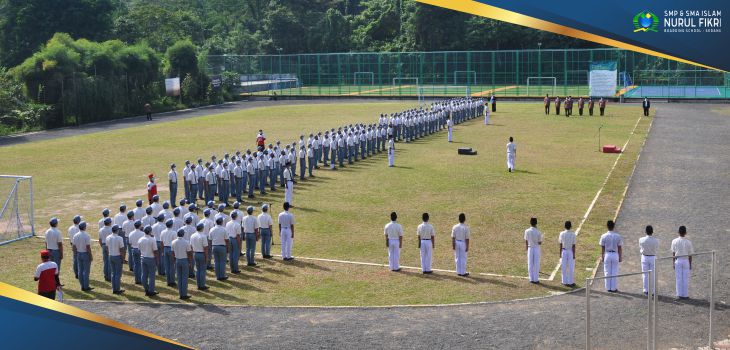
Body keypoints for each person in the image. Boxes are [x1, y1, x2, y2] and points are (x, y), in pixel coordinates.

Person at [599, 220, 623, 292]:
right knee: (614, 271)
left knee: (607, 271)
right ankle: (613, 288)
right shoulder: (618, 236)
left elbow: (602, 247)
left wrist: (602, 256)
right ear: (613, 226)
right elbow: (619, 248)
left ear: (607, 226)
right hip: (615, 254)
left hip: (607, 254)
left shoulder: (603, 236)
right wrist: (620, 256)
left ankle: (608, 288)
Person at [671, 226, 694, 299]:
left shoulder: (674, 241)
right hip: (685, 260)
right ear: (685, 233)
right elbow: (690, 255)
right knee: (685, 278)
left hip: (678, 260)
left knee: (678, 278)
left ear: (678, 232)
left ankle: (679, 294)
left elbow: (673, 253)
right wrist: (690, 264)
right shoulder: (688, 242)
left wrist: (673, 262)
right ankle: (685, 294)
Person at [72, 222, 93, 291]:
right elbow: (88, 247)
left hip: (78, 253)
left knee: (80, 271)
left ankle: (82, 286)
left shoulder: (75, 235)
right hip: (85, 254)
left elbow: (74, 246)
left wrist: (75, 253)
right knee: (86, 271)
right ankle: (86, 286)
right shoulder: (87, 235)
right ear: (84, 227)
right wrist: (90, 255)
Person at [171, 229, 192, 300]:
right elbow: (189, 253)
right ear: (183, 234)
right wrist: (190, 262)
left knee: (179, 278)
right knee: (184, 278)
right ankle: (184, 294)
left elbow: (173, 253)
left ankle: (180, 294)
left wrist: (174, 260)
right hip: (184, 260)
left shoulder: (173, 242)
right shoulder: (186, 242)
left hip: (177, 260)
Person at [138, 226, 159, 297]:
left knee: (144, 274)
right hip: (151, 258)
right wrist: (157, 260)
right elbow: (155, 251)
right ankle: (151, 290)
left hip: (143, 258)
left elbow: (139, 249)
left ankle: (146, 288)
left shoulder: (140, 239)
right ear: (150, 231)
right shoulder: (152, 239)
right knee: (152, 276)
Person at [639, 225, 658, 295]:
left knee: (645, 274)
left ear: (645, 231)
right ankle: (652, 291)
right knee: (652, 275)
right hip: (653, 257)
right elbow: (656, 249)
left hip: (644, 257)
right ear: (652, 232)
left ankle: (645, 290)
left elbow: (641, 248)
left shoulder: (641, 239)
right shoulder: (656, 241)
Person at [106, 225, 125, 294]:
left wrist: (109, 254)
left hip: (111, 256)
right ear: (117, 230)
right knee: (118, 274)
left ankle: (114, 288)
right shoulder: (119, 238)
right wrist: (123, 258)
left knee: (113, 273)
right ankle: (117, 289)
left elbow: (107, 248)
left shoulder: (108, 237)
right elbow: (122, 249)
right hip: (117, 256)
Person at [190, 223, 209, 291]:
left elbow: (191, 246)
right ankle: (202, 285)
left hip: (195, 253)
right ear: (202, 228)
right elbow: (205, 248)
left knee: (197, 270)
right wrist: (206, 257)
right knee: (202, 270)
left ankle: (198, 284)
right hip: (201, 254)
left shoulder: (192, 235)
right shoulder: (203, 236)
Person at [209, 216, 229, 281]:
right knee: (222, 262)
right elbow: (226, 240)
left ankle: (218, 276)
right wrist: (228, 248)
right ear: (221, 222)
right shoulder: (224, 229)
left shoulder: (212, 229)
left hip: (214, 246)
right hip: (222, 247)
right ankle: (222, 276)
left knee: (216, 262)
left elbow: (210, 239)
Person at [558, 221, 576, 287]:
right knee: (571, 267)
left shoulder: (561, 233)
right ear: (570, 226)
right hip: (570, 251)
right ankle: (571, 282)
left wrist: (560, 253)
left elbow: (560, 244)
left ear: (565, 226)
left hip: (564, 251)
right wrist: (574, 254)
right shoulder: (573, 234)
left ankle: (564, 281)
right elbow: (574, 245)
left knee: (564, 266)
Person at [524, 217, 543, 284]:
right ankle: (536, 279)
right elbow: (540, 242)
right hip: (536, 248)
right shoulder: (538, 232)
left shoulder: (527, 231)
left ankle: (531, 278)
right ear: (536, 223)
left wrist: (527, 247)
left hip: (530, 248)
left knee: (530, 263)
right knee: (536, 263)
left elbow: (526, 240)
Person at [160, 219, 177, 287]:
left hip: (165, 248)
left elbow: (161, 242)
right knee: (172, 266)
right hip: (171, 249)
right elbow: (175, 243)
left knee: (167, 266)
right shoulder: (173, 232)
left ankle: (168, 280)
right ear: (171, 225)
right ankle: (172, 281)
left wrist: (162, 251)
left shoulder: (162, 232)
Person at [98, 218, 113, 282]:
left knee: (105, 261)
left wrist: (102, 246)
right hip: (109, 246)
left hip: (104, 245)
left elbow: (100, 239)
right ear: (109, 223)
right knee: (109, 262)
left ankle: (105, 275)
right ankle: (109, 276)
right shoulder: (111, 229)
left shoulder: (101, 230)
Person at [68, 215, 81, 279]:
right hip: (79, 245)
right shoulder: (79, 228)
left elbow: (70, 237)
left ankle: (76, 273)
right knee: (80, 260)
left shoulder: (70, 228)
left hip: (73, 244)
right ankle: (79, 273)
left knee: (75, 259)